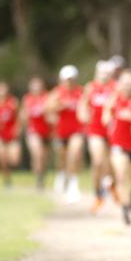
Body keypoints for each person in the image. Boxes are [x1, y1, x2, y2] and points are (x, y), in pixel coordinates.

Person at [103, 69, 131, 225]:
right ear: (119, 83)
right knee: (121, 176)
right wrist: (110, 119)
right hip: (118, 144)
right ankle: (125, 209)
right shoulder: (114, 99)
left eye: (130, 82)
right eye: (124, 82)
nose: (127, 85)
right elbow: (105, 117)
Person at [80, 60, 116, 212]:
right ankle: (97, 195)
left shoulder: (116, 88)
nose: (104, 76)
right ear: (97, 73)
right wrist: (83, 116)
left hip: (113, 131)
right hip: (95, 130)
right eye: (102, 73)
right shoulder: (90, 87)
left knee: (111, 165)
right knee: (97, 161)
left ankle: (112, 187)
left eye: (107, 73)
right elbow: (82, 105)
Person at [48, 65, 84, 203]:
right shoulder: (57, 93)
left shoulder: (80, 92)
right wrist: (62, 105)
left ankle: (73, 185)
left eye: (71, 79)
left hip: (77, 130)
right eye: (66, 79)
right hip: (61, 131)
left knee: (74, 155)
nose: (69, 82)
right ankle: (61, 175)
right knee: (62, 158)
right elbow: (49, 108)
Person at [0, 81, 21, 187]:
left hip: (11, 136)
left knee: (14, 160)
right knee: (2, 159)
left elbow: (19, 117)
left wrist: (17, 129)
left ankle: (10, 171)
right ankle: (7, 180)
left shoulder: (13, 102)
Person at [21, 77, 52, 190]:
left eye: (38, 85)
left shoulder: (47, 97)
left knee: (44, 157)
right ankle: (39, 179)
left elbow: (52, 113)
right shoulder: (27, 99)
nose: (36, 88)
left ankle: (42, 175)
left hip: (46, 131)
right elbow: (23, 115)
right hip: (33, 131)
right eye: (34, 85)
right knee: (37, 154)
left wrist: (47, 111)